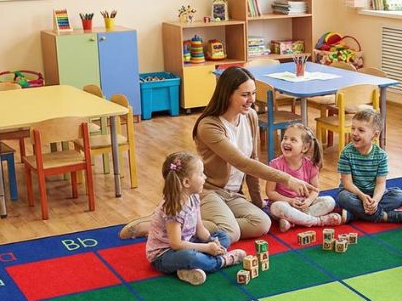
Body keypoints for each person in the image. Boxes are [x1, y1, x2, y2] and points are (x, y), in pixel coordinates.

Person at [120, 67, 313, 242]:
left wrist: (256, 202)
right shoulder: (209, 126)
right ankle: (161, 224)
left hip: (233, 194)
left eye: (253, 94)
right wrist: (288, 179)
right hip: (208, 191)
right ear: (228, 95)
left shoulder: (251, 116)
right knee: (231, 233)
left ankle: (191, 221)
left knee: (262, 224)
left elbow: (253, 160)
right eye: (245, 95)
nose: (252, 100)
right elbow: (242, 162)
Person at [146, 152, 246, 286]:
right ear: (186, 182)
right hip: (164, 255)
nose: (205, 177)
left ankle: (187, 268)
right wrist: (206, 248)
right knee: (189, 257)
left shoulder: (194, 197)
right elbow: (176, 244)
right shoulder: (173, 208)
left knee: (223, 236)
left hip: (188, 243)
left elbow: (200, 230)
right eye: (200, 174)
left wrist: (211, 242)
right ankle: (223, 261)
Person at [335, 106, 402, 224]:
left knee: (399, 196)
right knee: (342, 198)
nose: (354, 133)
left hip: (374, 194)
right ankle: (384, 216)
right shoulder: (346, 153)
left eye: (361, 130)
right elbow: (347, 183)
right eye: (353, 128)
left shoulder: (381, 156)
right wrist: (361, 196)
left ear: (375, 135)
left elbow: (380, 183)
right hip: (354, 194)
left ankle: (354, 214)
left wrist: (375, 201)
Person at [266, 122, 342, 231]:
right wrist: (290, 201)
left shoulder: (310, 165)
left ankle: (293, 221)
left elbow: (315, 189)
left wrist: (309, 201)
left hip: (304, 206)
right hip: (285, 204)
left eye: (293, 140)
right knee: (276, 207)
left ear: (305, 148)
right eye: (285, 138)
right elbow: (270, 192)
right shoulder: (275, 164)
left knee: (329, 201)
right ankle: (318, 221)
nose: (286, 142)